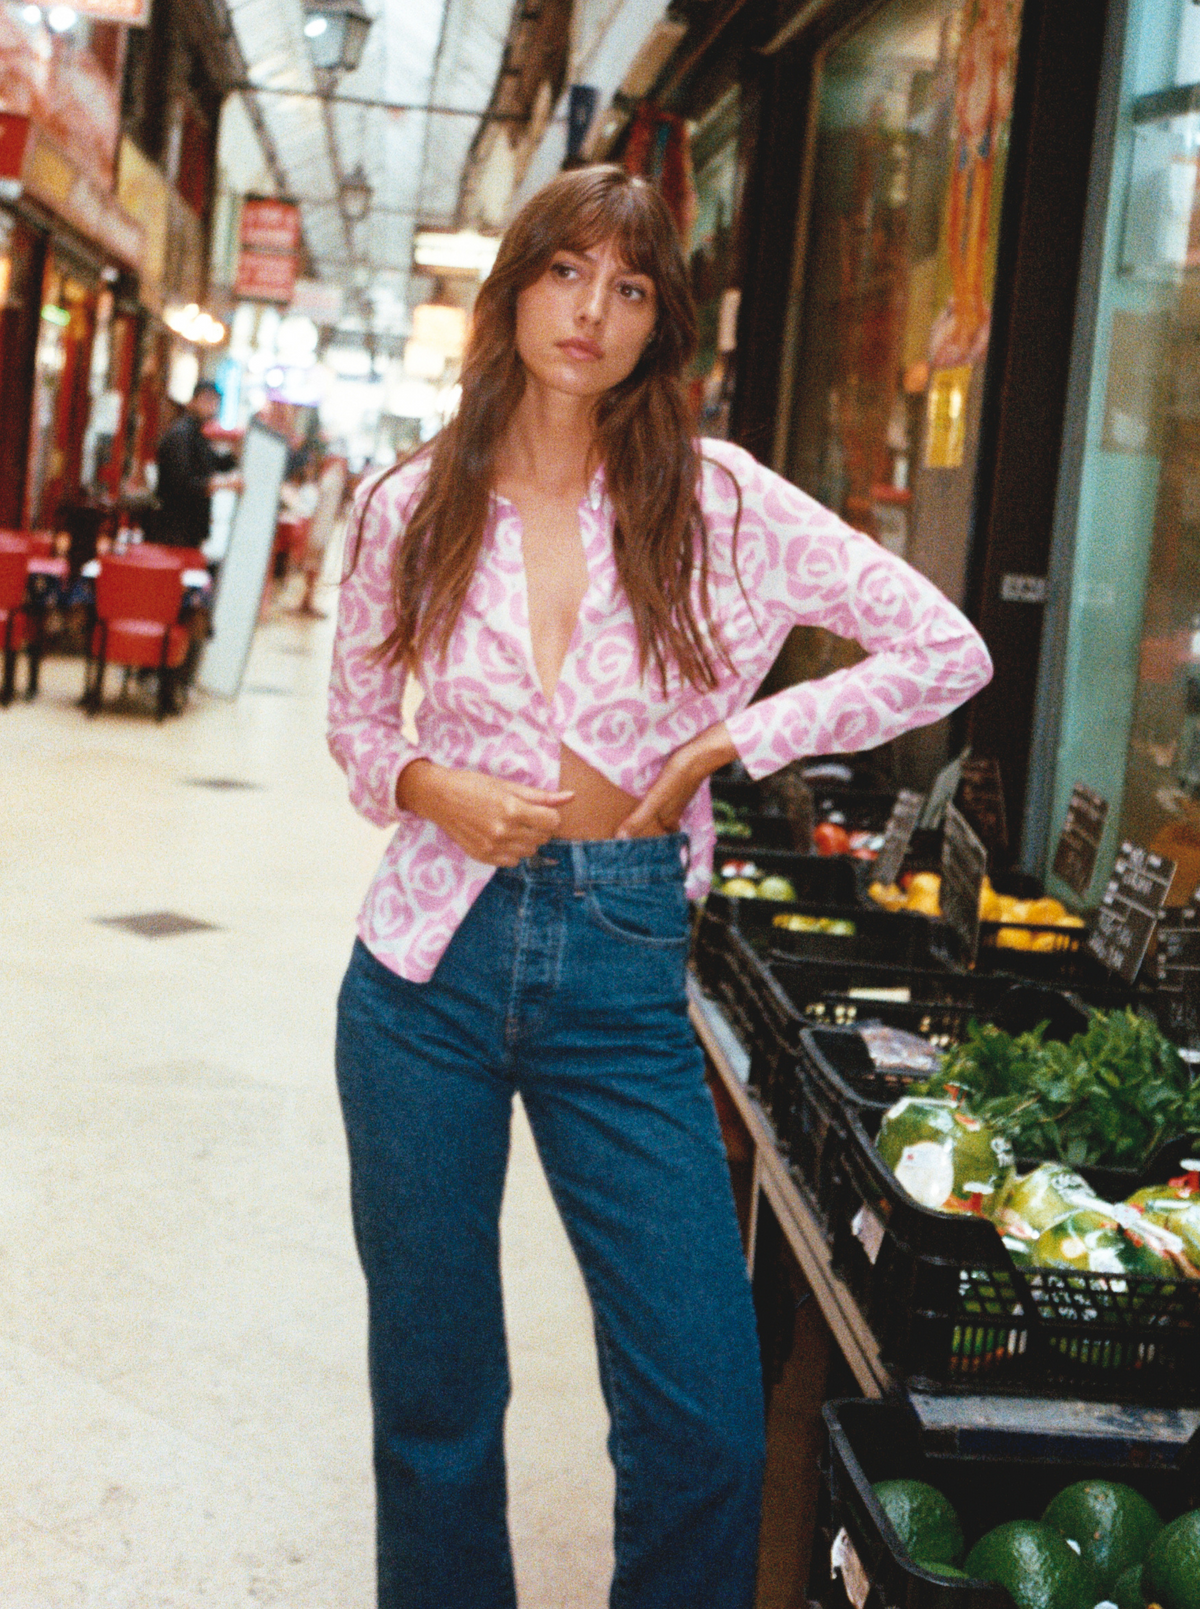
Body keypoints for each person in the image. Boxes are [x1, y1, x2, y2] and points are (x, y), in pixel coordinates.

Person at [328, 165, 992, 1609]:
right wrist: (434, 786)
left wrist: (724, 743)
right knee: (439, 1402)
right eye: (567, 272)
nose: (592, 311)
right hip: (423, 970)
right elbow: (358, 727)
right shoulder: (409, 504)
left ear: (659, 326)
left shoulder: (721, 503)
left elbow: (946, 649)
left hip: (621, 969)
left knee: (699, 1410)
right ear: (513, 290)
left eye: (630, 288)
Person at [154, 380, 242, 549]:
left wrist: (236, 451)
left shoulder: (198, 433)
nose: (212, 407)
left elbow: (214, 463)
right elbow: (182, 483)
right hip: (175, 527)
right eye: (207, 400)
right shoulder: (181, 434)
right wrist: (224, 484)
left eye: (215, 402)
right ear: (193, 401)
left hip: (191, 527)